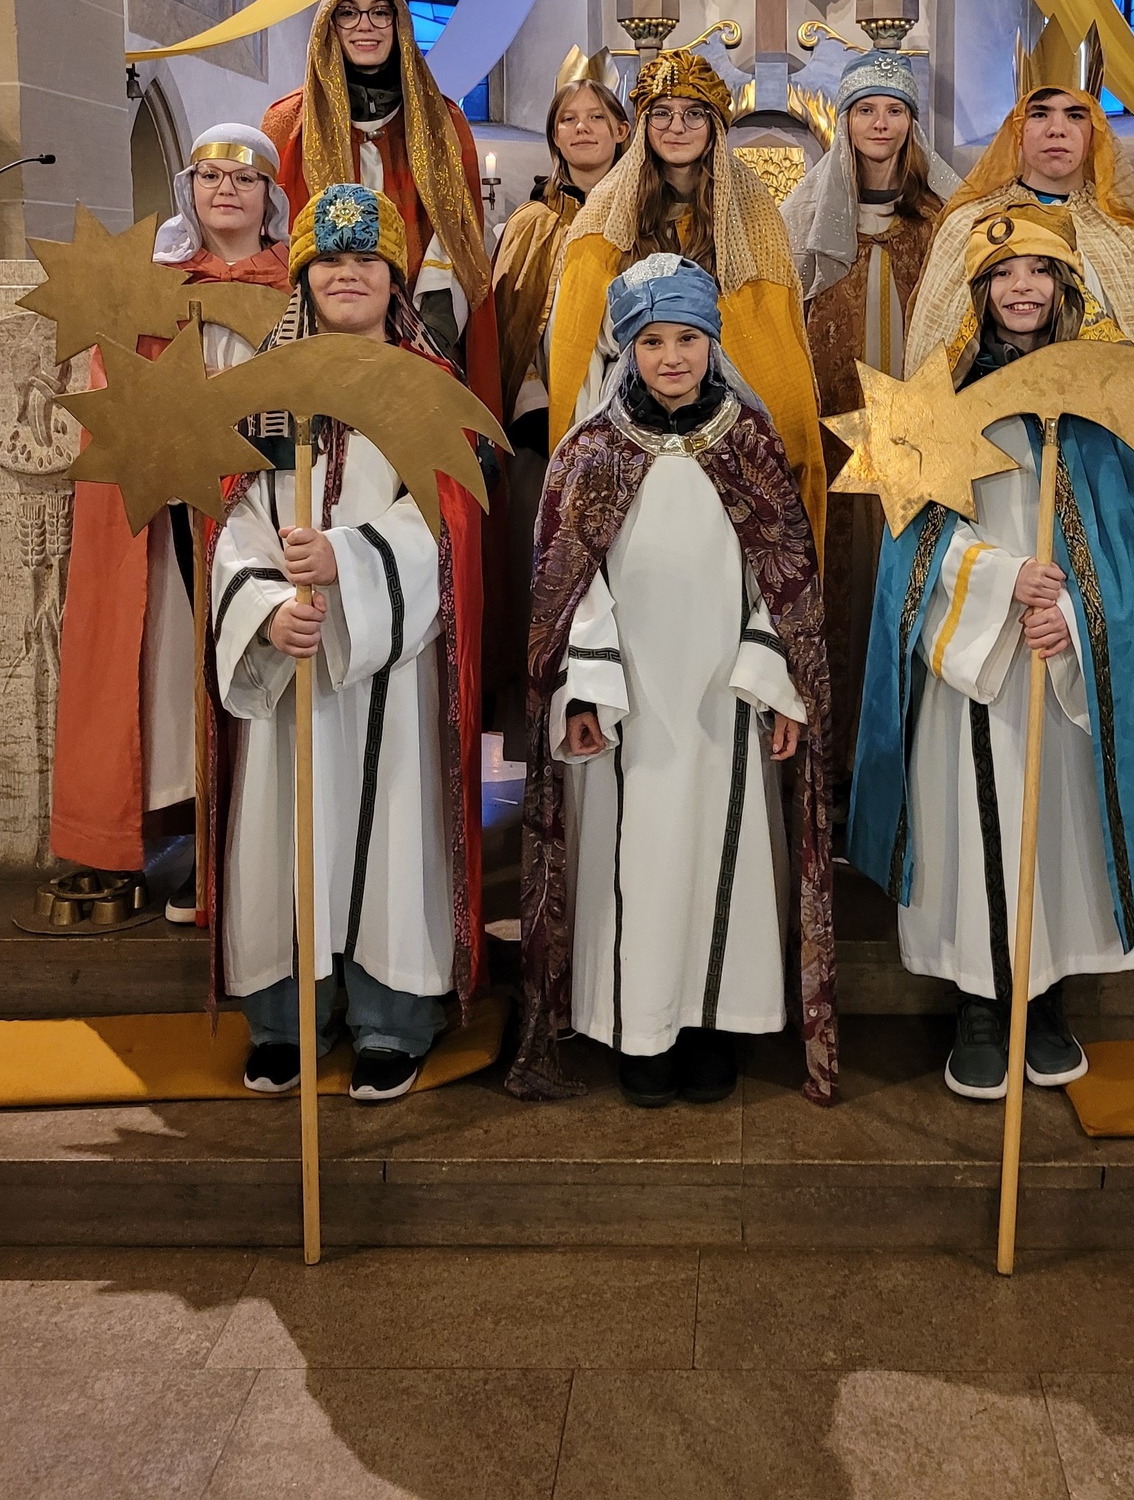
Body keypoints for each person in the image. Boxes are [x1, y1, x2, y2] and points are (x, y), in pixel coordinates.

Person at [852, 205, 1134, 1101]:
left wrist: (1085, 624)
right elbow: (911, 543)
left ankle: (1045, 993)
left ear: (1065, 290)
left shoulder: (1105, 409)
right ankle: (980, 1002)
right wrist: (997, 582)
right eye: (1003, 276)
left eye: (1040, 273)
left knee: (1051, 828)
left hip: (1062, 672)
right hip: (969, 662)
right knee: (969, 826)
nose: (1022, 288)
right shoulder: (937, 404)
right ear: (976, 296)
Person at [509, 256, 837, 1108]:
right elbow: (566, 583)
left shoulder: (751, 445)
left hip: (727, 698)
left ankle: (712, 1026)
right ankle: (637, 1029)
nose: (671, 358)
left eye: (687, 338)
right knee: (634, 861)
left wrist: (774, 679)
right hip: (628, 706)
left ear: (712, 344)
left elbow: (785, 578)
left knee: (720, 856)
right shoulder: (591, 451)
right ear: (625, 350)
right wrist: (584, 689)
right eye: (650, 341)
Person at [211, 184, 487, 1102]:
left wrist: (350, 562)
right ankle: (286, 1012)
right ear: (304, 278)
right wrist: (261, 606)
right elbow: (236, 520)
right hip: (289, 656)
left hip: (391, 660)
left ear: (394, 276)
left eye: (365, 259)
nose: (346, 274)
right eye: (328, 261)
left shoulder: (433, 391)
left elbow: (444, 528)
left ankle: (391, 1013)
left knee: (390, 826)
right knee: (283, 829)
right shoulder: (264, 393)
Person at [51, 124, 291, 915]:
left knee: (267, 658)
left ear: (270, 197)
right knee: (178, 669)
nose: (228, 189)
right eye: (212, 176)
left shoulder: (300, 287)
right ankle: (198, 837)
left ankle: (263, 839)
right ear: (188, 190)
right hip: (179, 509)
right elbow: (113, 394)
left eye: (246, 178)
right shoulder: (153, 286)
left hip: (272, 501)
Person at [546, 46, 826, 544]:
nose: (677, 128)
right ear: (643, 124)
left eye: (694, 114)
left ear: (715, 125)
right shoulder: (606, 211)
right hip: (631, 416)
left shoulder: (752, 210)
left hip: (727, 422)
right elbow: (581, 344)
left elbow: (773, 341)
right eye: (663, 115)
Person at [781, 50, 958, 796]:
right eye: (863, 109)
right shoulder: (800, 218)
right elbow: (778, 319)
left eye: (892, 109)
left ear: (911, 123)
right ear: (843, 122)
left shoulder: (947, 220)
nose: (878, 123)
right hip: (834, 427)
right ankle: (840, 760)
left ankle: (912, 762)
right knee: (842, 585)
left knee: (917, 580)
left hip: (924, 434)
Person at [262, 0, 500, 423]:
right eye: (348, 12)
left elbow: (458, 234)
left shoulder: (441, 121)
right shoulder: (288, 124)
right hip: (316, 326)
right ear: (328, 27)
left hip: (426, 329)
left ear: (399, 23)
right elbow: (273, 238)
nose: (365, 26)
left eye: (379, 12)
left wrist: (426, 328)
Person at [906, 16, 1134, 369]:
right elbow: (931, 356)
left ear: (1095, 130)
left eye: (1075, 115)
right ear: (1019, 127)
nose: (1057, 130)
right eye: (1040, 114)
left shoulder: (1133, 240)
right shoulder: (967, 225)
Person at [491, 51, 630, 449]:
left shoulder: (648, 220)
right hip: (548, 415)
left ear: (622, 130)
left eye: (596, 117)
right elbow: (509, 330)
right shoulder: (532, 224)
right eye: (567, 119)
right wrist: (533, 405)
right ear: (555, 136)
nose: (581, 127)